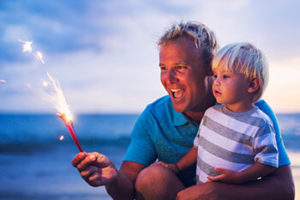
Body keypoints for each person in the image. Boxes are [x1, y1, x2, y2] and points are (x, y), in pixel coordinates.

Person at [72, 22, 294, 200]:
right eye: (163, 68)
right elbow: (127, 191)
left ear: (210, 69)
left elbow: (285, 190)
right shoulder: (154, 118)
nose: (168, 80)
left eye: (180, 68)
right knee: (151, 178)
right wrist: (111, 177)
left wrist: (221, 193)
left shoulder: (253, 112)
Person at [157, 42, 279, 185]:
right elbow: (197, 148)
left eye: (225, 76)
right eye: (215, 75)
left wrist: (239, 176)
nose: (216, 82)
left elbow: (268, 163)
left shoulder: (260, 123)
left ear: (252, 84)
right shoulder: (211, 114)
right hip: (203, 190)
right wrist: (177, 167)